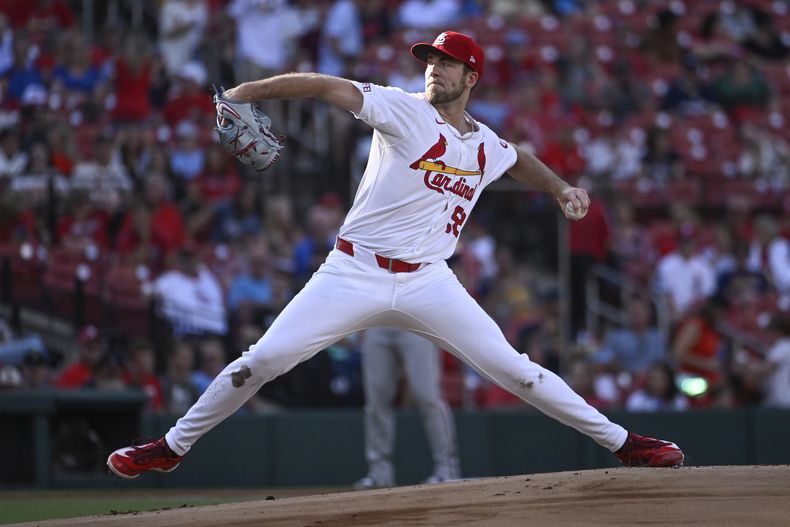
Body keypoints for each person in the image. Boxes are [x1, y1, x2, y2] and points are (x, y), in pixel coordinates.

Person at [107, 31, 684, 479]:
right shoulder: (400, 108)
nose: (434, 67)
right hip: (353, 270)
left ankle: (625, 444)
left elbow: (518, 158)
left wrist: (560, 188)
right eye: (430, 59)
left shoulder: (485, 144)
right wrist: (242, 93)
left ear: (471, 77)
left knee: (518, 370)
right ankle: (171, 447)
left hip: (429, 281)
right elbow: (323, 85)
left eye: (447, 62)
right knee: (262, 360)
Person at [354, 327, 460, 489]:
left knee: (427, 398)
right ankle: (379, 473)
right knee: (376, 402)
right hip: (377, 323)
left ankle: (447, 469)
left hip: (414, 323)